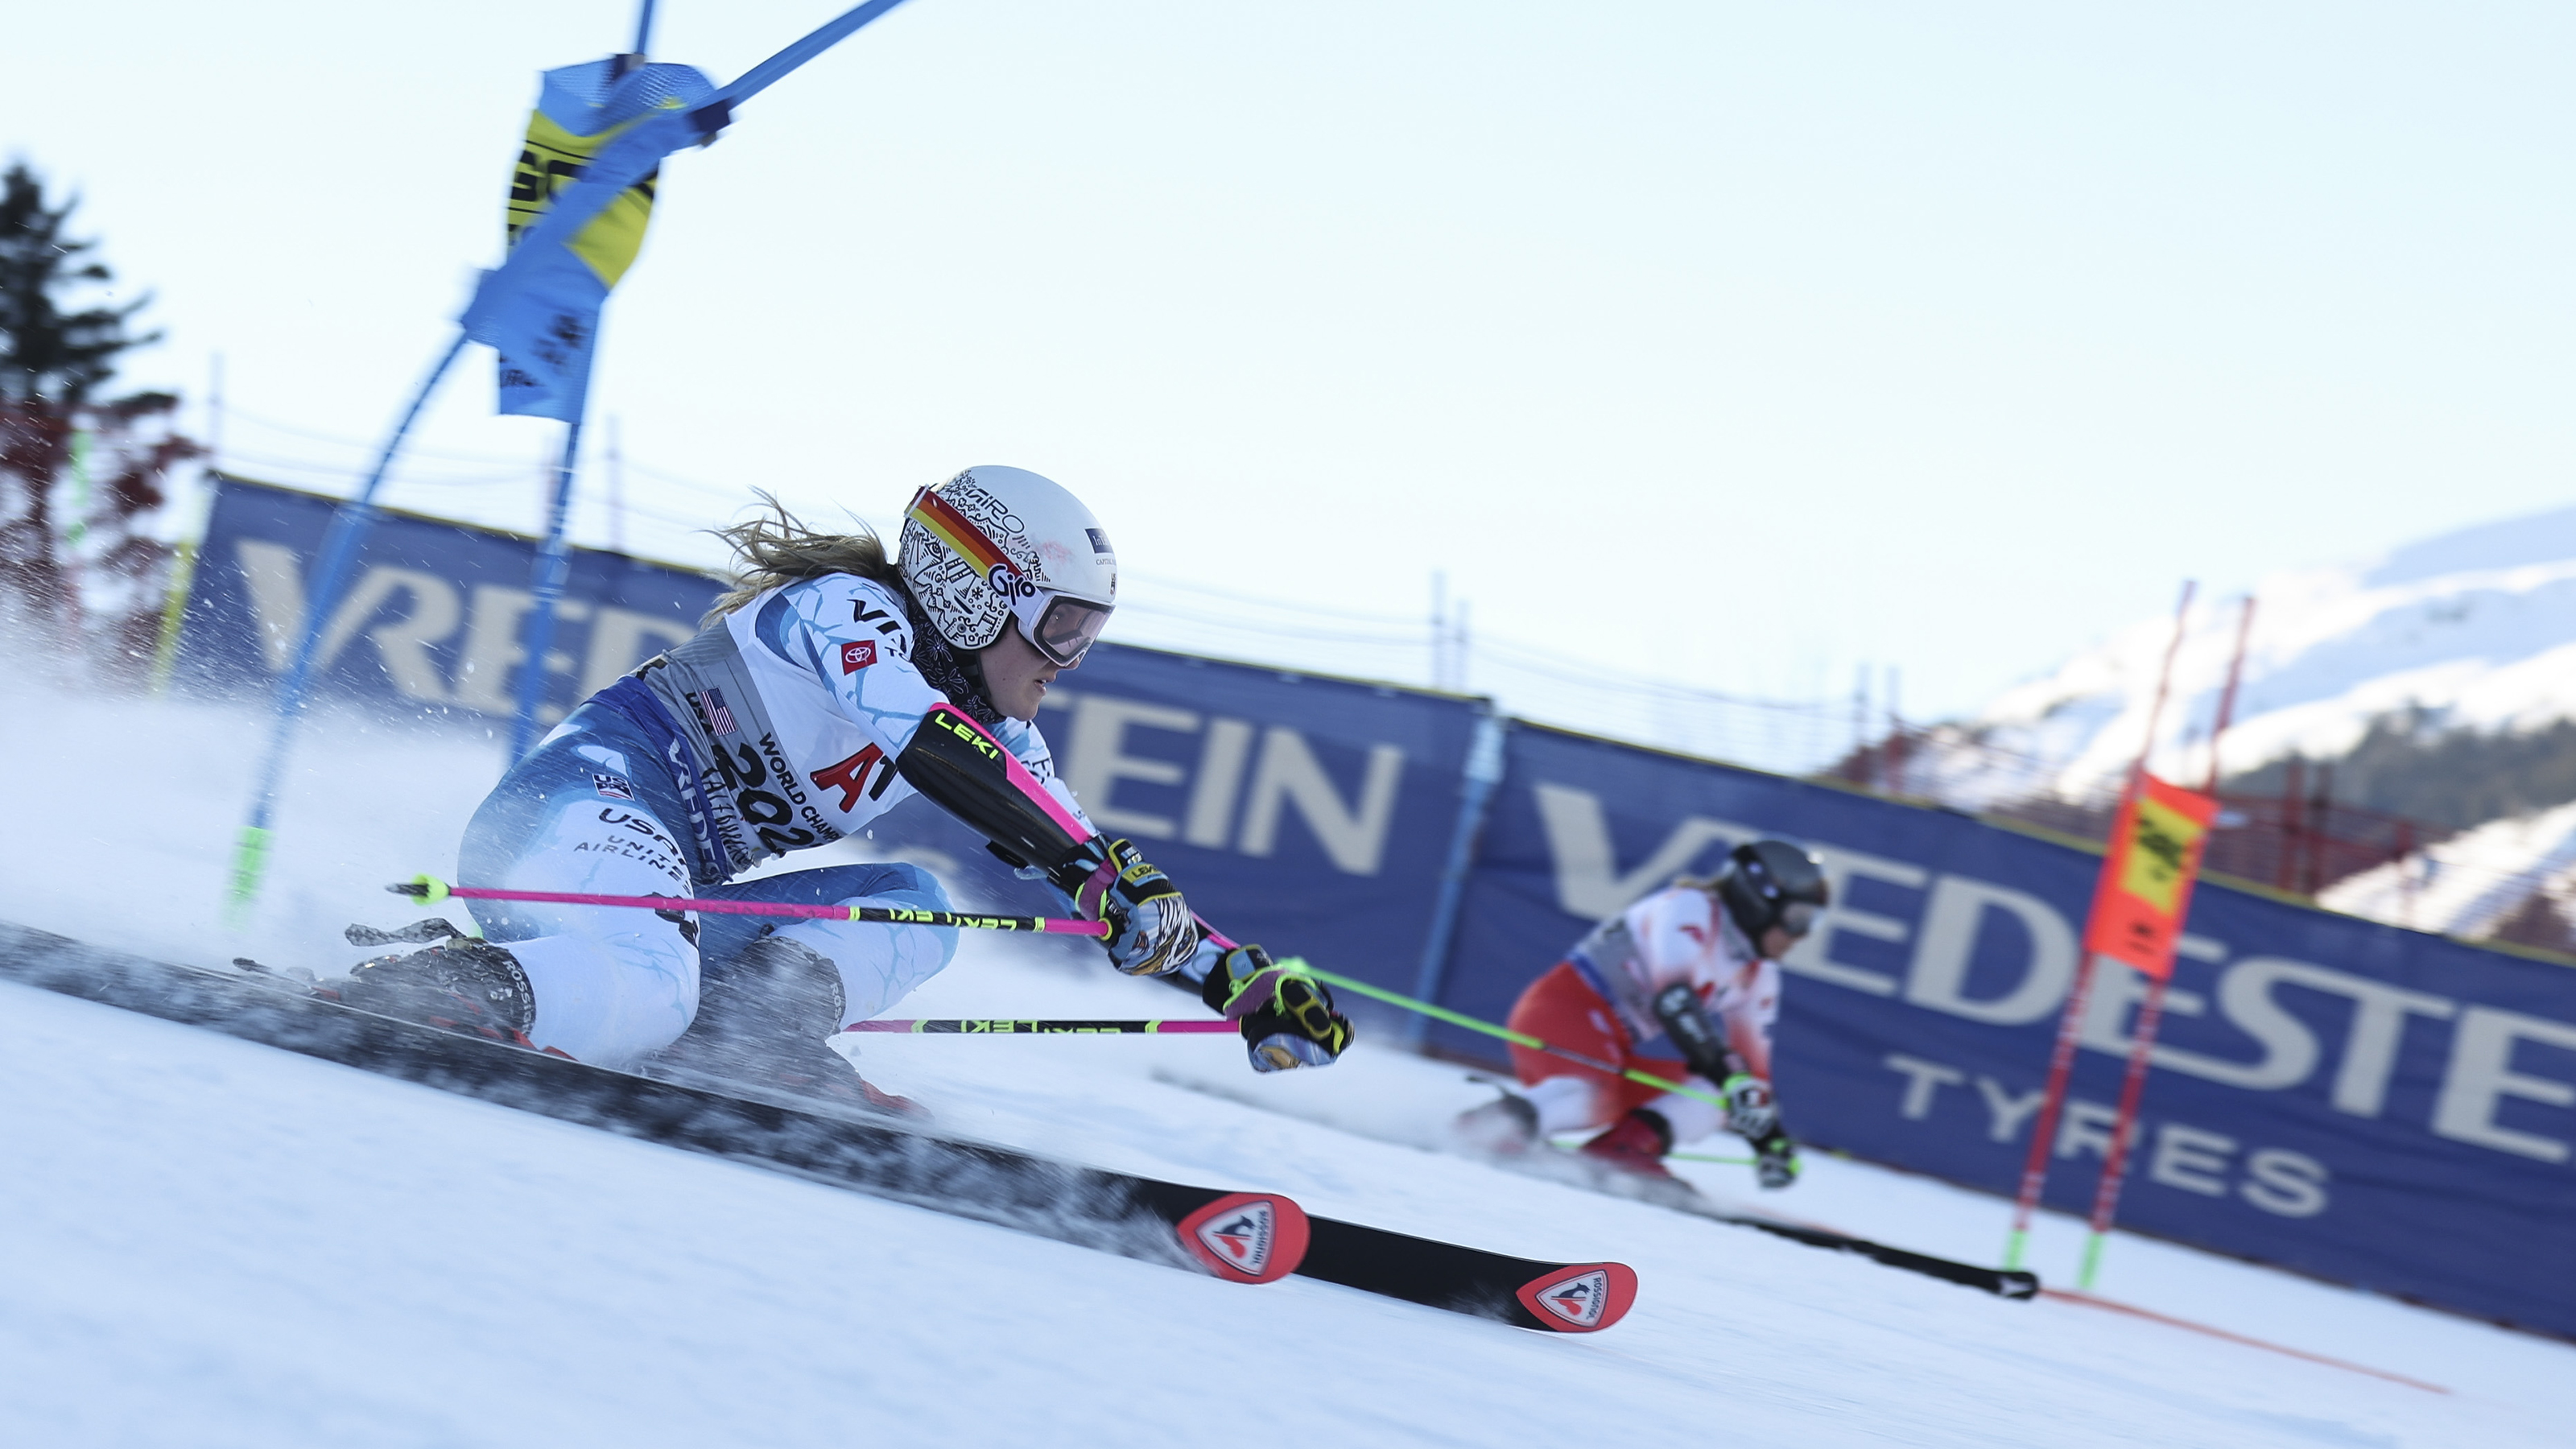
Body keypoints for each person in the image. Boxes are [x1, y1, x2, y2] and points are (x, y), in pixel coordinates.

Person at [327, 466, 1354, 1104]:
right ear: (972, 593)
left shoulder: (998, 731)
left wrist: (1237, 984)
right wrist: (1092, 869)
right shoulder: (845, 612)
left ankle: (745, 1040)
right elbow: (928, 744)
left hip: (657, 887)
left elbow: (1078, 859)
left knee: (916, 910)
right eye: (1059, 629)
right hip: (568, 816)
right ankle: (453, 992)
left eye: (1086, 637)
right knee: (647, 982)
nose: (1067, 660)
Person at [1455, 840, 1825, 1189]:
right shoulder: (1690, 908)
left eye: (1812, 922)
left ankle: (1624, 1150)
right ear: (1757, 900)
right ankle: (1486, 1128)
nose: (1801, 935)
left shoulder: (1760, 975)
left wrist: (1771, 1142)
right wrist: (1730, 1076)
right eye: (1797, 918)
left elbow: (1753, 1075)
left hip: (1612, 1045)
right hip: (1562, 1009)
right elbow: (1675, 1001)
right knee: (1596, 1095)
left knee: (1723, 1092)